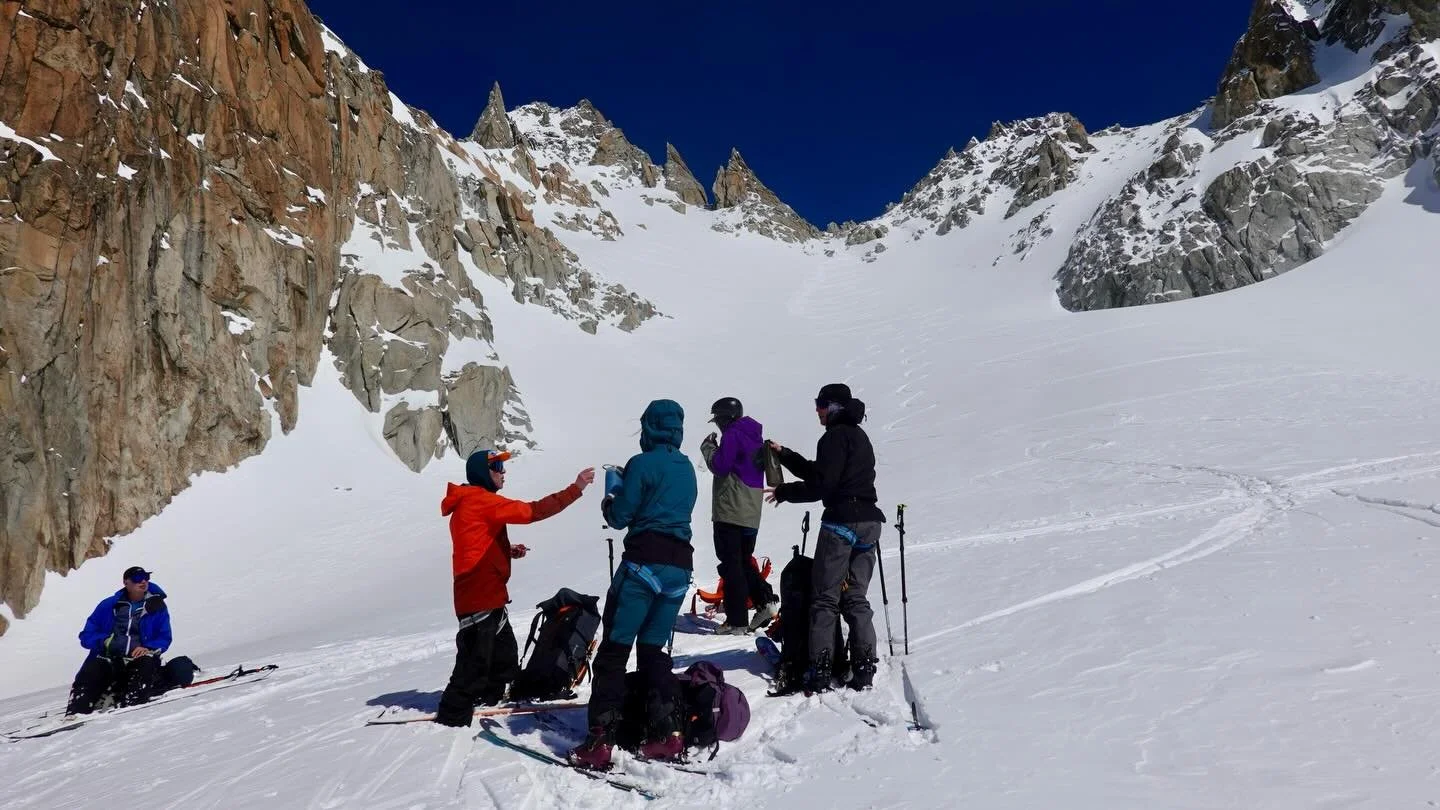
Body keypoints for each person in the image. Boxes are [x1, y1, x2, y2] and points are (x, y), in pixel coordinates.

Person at [569, 399, 697, 770]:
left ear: (650, 428)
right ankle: (666, 734)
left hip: (644, 562)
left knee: (614, 651)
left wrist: (612, 493)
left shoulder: (642, 464)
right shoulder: (686, 466)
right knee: (654, 650)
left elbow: (621, 517)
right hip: (679, 566)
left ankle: (600, 741)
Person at [434, 449, 595, 727]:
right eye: (497, 466)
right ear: (483, 473)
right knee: (473, 663)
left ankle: (491, 697)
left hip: (489, 594)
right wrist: (576, 488)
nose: (502, 472)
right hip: (478, 596)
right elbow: (533, 511)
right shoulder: (480, 501)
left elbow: (473, 543)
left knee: (505, 657)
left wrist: (506, 550)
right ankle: (451, 716)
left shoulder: (474, 503)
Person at [765, 383, 886, 693]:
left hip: (841, 522)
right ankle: (864, 665)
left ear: (833, 406)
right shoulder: (859, 436)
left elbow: (822, 486)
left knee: (824, 599)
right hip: (870, 521)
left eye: (820, 404)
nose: (816, 409)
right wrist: (786, 456)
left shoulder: (832, 437)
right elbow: (822, 474)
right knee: (855, 596)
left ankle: (819, 668)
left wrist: (785, 492)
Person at [699, 396, 777, 635]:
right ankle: (764, 602)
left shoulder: (732, 434)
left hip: (731, 507)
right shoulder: (753, 435)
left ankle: (736, 621)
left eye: (718, 420)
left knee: (731, 563)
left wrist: (708, 447)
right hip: (751, 509)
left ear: (725, 418)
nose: (718, 425)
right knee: (742, 561)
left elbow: (721, 466)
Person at [67, 566, 172, 714]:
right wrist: (104, 641)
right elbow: (86, 635)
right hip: (111, 658)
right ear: (126, 583)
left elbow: (164, 636)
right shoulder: (109, 605)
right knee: (92, 669)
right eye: (137, 578)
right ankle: (76, 712)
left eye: (146, 577)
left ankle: (132, 706)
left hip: (139, 658)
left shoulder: (157, 607)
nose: (143, 581)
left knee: (145, 664)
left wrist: (148, 647)